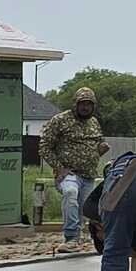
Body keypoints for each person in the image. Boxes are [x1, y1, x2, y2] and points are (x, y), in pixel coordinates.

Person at [40, 87, 107, 244]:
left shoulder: (94, 122)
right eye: (82, 103)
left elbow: (98, 144)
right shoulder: (60, 120)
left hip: (89, 175)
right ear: (75, 104)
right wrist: (59, 167)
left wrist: (101, 149)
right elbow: (44, 146)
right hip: (69, 173)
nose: (85, 107)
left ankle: (81, 237)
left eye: (89, 104)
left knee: (85, 209)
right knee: (70, 193)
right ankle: (70, 236)